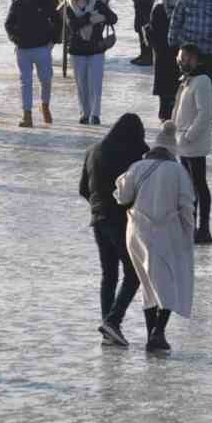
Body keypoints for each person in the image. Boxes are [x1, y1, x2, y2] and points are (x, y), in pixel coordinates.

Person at [114, 121, 197, 353]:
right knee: (167, 284)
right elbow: (187, 207)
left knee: (147, 285)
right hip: (165, 234)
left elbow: (122, 197)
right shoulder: (178, 172)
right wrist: (188, 235)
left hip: (136, 232)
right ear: (173, 151)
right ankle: (158, 332)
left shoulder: (138, 166)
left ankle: (153, 333)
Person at [79, 113, 148, 347]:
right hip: (119, 220)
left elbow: (82, 189)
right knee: (134, 272)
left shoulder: (92, 151)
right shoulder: (130, 153)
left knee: (109, 275)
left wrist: (97, 206)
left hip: (97, 219)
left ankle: (108, 327)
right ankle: (113, 321)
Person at [173, 43, 212, 245]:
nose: (182, 62)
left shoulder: (202, 81)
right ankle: (190, 225)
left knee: (199, 185)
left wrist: (188, 136)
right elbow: (178, 109)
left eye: (187, 59)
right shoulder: (186, 81)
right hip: (183, 143)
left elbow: (205, 114)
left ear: (197, 60)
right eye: (180, 58)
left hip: (194, 144)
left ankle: (204, 228)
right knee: (188, 188)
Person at [64, 0, 118, 125]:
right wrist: (91, 18)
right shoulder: (69, 6)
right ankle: (84, 113)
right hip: (77, 51)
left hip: (96, 50)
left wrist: (102, 17)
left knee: (95, 84)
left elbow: (113, 18)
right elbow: (74, 26)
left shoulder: (98, 3)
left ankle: (95, 114)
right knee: (81, 85)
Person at [5, 0, 57, 128]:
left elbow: (56, 20)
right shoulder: (17, 4)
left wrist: (53, 40)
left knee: (46, 79)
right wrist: (15, 39)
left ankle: (45, 105)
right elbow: (8, 24)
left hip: (42, 48)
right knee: (25, 82)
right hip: (23, 50)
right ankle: (27, 115)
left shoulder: (43, 2)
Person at [149, 0, 182, 120]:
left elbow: (153, 32)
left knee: (164, 90)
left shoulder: (157, 8)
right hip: (177, 52)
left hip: (161, 54)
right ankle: (175, 117)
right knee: (177, 88)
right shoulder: (180, 8)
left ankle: (164, 118)